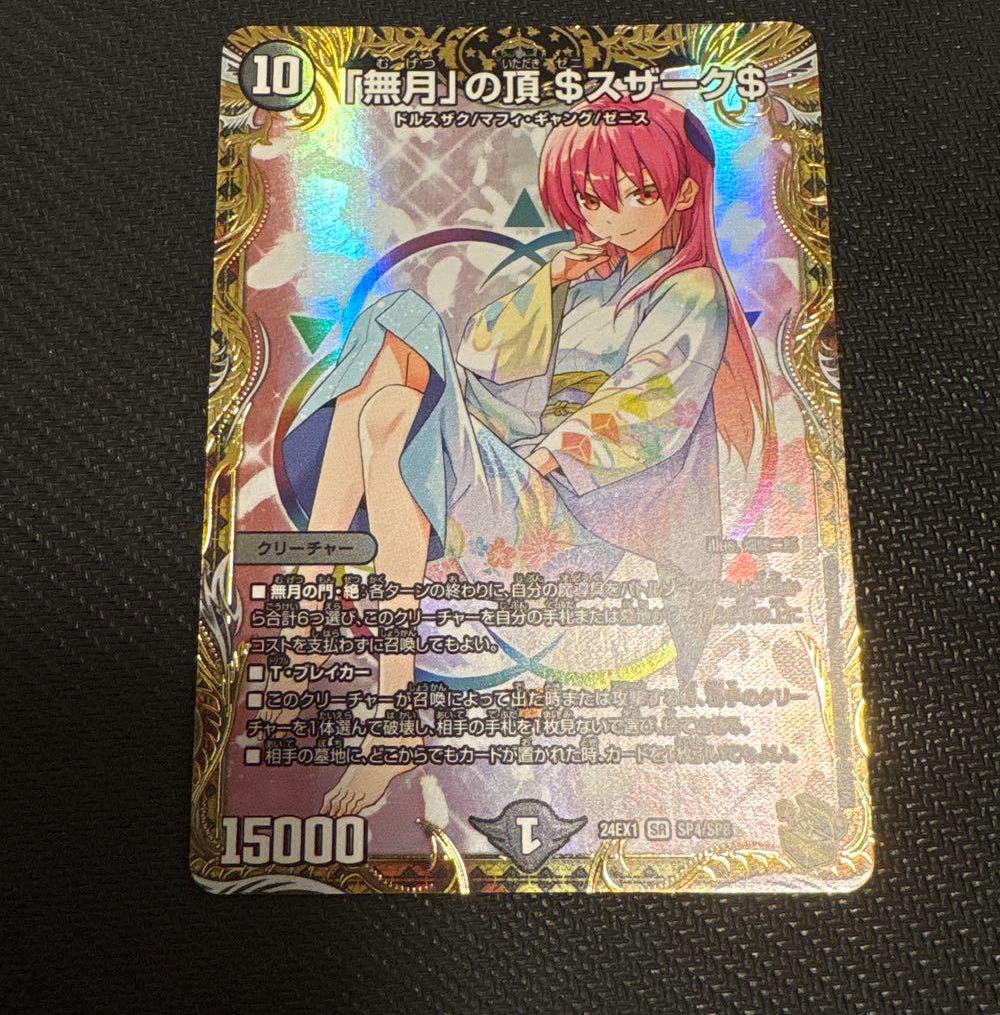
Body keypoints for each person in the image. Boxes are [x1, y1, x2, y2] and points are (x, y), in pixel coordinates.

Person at [281, 94, 772, 816]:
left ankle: (335, 636)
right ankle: (339, 624)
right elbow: (481, 358)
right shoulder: (590, 276)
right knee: (394, 347)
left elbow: (645, 413)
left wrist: (525, 465)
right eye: (591, 199)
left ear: (684, 193)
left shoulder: (692, 290)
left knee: (397, 386)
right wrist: (552, 281)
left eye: (634, 193)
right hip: (521, 477)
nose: (610, 216)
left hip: (572, 524)